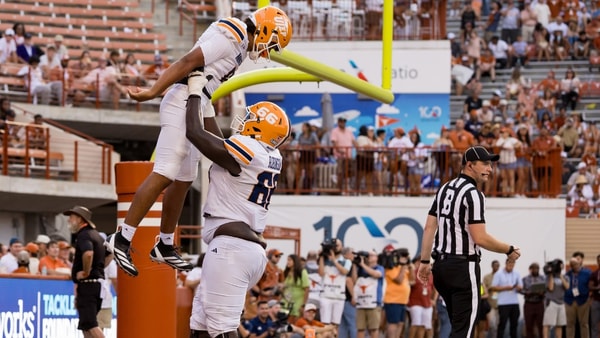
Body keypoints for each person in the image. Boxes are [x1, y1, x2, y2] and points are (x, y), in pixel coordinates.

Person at [106, 6, 292, 278]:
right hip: (181, 98)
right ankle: (122, 237)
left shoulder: (239, 46)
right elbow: (186, 63)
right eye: (272, 42)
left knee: (184, 179)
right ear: (264, 29)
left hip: (197, 101)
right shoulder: (234, 33)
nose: (267, 51)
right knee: (167, 171)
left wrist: (222, 145)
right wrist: (153, 91)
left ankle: (165, 244)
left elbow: (205, 92)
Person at [185, 69, 291, 337]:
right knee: (200, 329)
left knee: (222, 331)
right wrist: (207, 105)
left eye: (251, 119)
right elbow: (218, 143)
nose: (244, 122)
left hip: (232, 249)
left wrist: (195, 93)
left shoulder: (250, 151)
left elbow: (195, 133)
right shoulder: (267, 153)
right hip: (239, 248)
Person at [417, 146, 522, 338]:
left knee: (457, 327)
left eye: (491, 164)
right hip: (463, 267)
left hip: (440, 267)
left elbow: (429, 228)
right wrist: (509, 249)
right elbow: (480, 238)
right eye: (485, 164)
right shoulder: (473, 193)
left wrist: (424, 262)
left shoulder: (444, 189)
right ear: (469, 165)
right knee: (464, 332)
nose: (490, 169)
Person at [64, 205, 106, 338]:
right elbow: (109, 254)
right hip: (94, 285)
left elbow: (88, 254)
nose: (69, 220)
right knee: (86, 326)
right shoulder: (97, 235)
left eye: (71, 217)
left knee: (91, 325)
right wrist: (98, 268)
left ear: (80, 219)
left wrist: (86, 271)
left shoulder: (84, 235)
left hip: (88, 284)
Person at [318, 238, 352, 328]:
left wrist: (334, 261)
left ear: (342, 247)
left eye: (337, 245)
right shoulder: (324, 260)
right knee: (324, 325)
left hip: (339, 296)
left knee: (335, 325)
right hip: (325, 295)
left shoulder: (346, 261)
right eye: (333, 246)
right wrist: (321, 256)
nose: (335, 248)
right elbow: (321, 273)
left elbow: (344, 272)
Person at [351, 250, 384, 338]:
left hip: (373, 303)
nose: (369, 257)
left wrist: (362, 265)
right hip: (361, 303)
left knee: (373, 328)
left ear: (376, 257)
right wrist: (354, 264)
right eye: (368, 255)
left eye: (372, 255)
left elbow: (377, 274)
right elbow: (354, 280)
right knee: (360, 328)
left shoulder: (379, 268)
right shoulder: (360, 269)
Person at [490, 259, 522, 338]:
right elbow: (493, 288)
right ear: (506, 263)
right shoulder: (498, 274)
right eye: (509, 264)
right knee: (502, 325)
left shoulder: (517, 273)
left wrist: (518, 288)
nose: (511, 266)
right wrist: (505, 288)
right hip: (503, 303)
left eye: (513, 264)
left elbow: (521, 286)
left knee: (514, 325)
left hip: (514, 302)